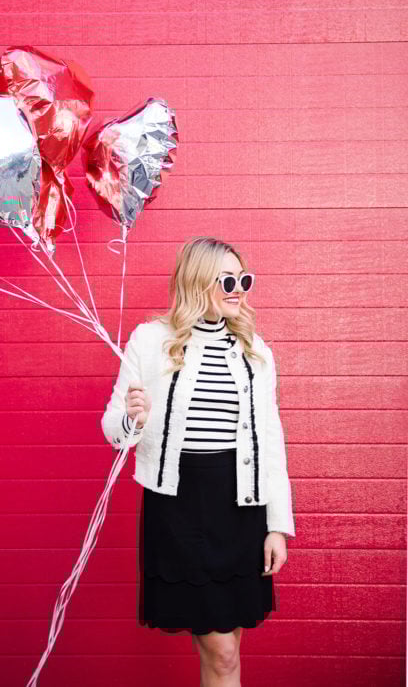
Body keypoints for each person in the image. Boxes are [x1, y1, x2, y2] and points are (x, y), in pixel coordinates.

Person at [101, 236, 295, 687]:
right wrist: (134, 418)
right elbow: (113, 433)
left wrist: (276, 525)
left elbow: (271, 442)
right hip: (179, 506)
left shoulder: (255, 352)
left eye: (244, 279)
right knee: (221, 651)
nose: (238, 289)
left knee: (228, 648)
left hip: (240, 504)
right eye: (227, 280)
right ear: (196, 281)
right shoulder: (150, 341)